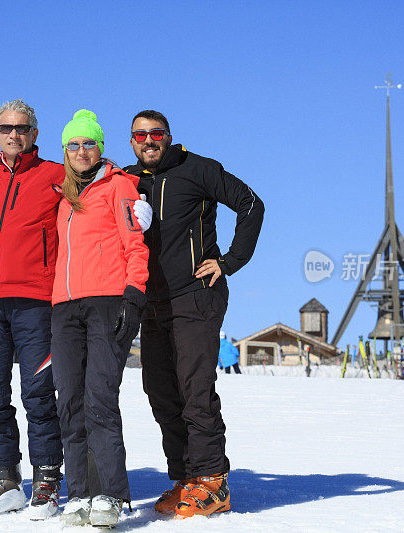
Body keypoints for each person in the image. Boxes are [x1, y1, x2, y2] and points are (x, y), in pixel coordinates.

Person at [0, 100, 152, 519]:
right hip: (16, 304)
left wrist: (134, 288)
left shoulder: (62, 177)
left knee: (60, 396)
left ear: (35, 133)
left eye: (22, 127)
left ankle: (61, 482)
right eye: (5, 127)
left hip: (49, 301)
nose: (14, 134)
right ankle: (21, 482)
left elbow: (130, 222)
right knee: (11, 395)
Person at [124, 110, 264, 519]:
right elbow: (76, 182)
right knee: (160, 389)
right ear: (131, 140)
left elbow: (251, 204)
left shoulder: (198, 168)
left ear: (168, 136)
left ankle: (212, 480)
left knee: (194, 387)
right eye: (140, 135)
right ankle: (186, 478)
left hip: (196, 295)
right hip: (152, 300)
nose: (148, 140)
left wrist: (230, 260)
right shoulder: (128, 178)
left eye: (156, 133)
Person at [50, 110, 148, 528]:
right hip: (64, 305)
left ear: (100, 148)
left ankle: (110, 493)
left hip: (109, 301)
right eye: (73, 144)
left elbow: (135, 244)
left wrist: (134, 294)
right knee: (69, 400)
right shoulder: (61, 193)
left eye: (89, 143)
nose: (81, 151)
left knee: (100, 399)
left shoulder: (119, 185)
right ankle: (78, 493)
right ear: (65, 150)